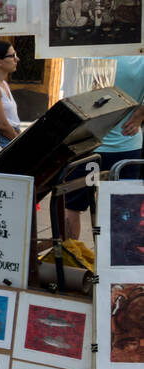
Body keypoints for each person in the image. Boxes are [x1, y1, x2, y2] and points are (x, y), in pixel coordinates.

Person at [63, 55, 144, 240]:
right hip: (88, 146)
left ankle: (100, 259)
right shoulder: (82, 54)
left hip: (118, 144)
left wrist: (140, 114)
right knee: (74, 205)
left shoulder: (82, 52)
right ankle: (72, 255)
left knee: (119, 207)